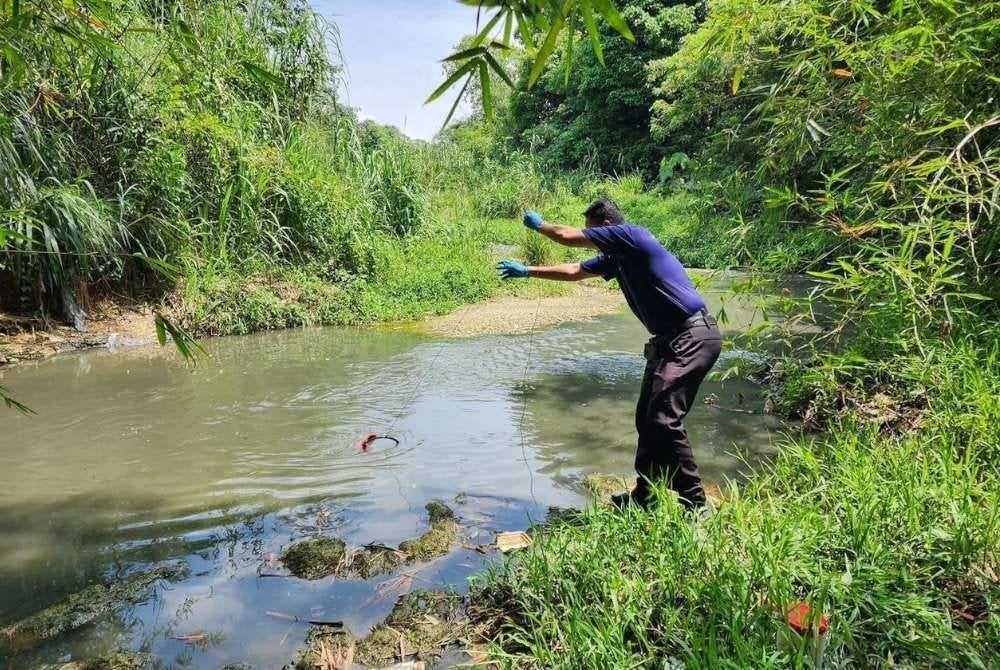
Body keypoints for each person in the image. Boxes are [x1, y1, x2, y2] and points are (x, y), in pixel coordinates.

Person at [496, 198, 721, 512]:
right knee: (647, 419)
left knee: (663, 419)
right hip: (669, 341)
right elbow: (575, 270)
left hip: (692, 335)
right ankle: (647, 495)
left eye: (593, 234)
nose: (593, 243)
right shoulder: (617, 258)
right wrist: (528, 272)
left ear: (606, 227)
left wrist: (540, 225)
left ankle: (696, 503)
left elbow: (565, 237)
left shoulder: (631, 236)